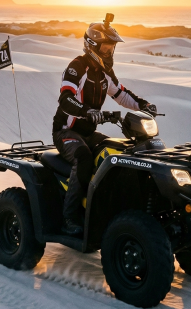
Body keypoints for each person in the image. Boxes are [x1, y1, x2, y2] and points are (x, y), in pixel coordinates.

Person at [52, 16, 157, 236]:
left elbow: (121, 94)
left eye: (112, 48)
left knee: (116, 152)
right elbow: (65, 98)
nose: (109, 53)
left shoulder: (105, 73)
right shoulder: (76, 67)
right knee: (83, 158)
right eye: (106, 48)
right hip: (66, 132)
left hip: (88, 133)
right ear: (92, 46)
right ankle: (69, 217)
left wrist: (143, 105)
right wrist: (86, 111)